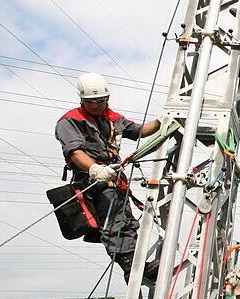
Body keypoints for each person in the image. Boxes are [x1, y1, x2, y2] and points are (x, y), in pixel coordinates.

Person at [54, 72, 164, 283]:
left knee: (127, 221)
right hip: (93, 180)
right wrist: (95, 169)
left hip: (114, 178)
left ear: (108, 98)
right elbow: (74, 152)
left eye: (101, 101)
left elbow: (140, 131)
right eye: (91, 102)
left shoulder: (111, 118)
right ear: (82, 100)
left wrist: (162, 120)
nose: (96, 105)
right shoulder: (70, 121)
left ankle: (137, 264)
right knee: (114, 223)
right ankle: (130, 266)